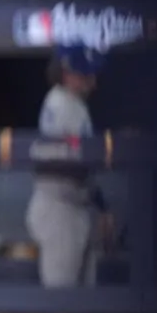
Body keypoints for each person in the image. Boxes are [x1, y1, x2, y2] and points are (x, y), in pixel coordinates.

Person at [26, 45, 113, 287]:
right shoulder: (59, 103)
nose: (91, 81)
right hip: (58, 207)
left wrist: (101, 206)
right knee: (61, 299)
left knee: (84, 301)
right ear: (65, 72)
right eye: (84, 74)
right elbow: (63, 159)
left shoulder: (75, 104)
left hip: (77, 206)